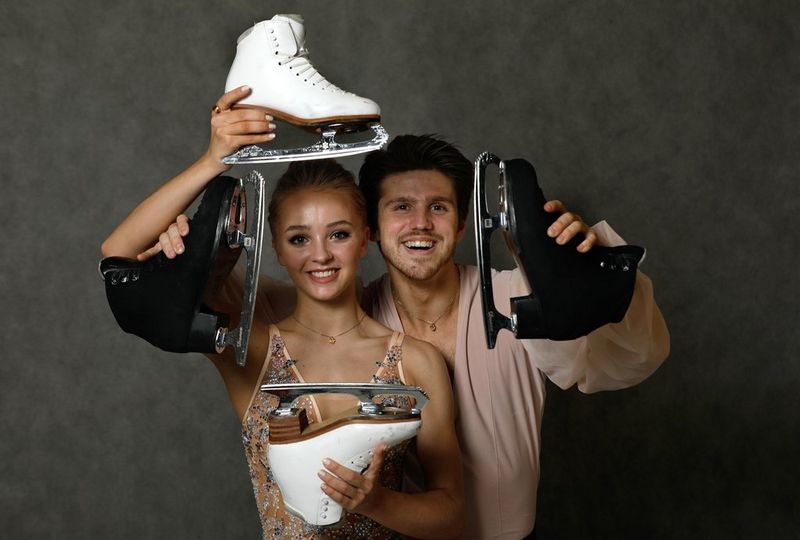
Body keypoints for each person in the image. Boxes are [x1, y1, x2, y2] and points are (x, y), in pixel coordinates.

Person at [125, 87, 669, 539]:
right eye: (400, 207)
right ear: (374, 231)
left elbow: (628, 360)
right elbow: (148, 271)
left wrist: (578, 269)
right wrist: (202, 195)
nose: (420, 224)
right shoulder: (319, 308)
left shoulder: (519, 300)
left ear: (461, 226)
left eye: (439, 207)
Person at [100, 93, 464, 538]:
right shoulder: (248, 346)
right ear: (274, 246)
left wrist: (375, 502)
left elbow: (451, 511)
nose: (321, 255)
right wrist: (213, 161)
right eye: (298, 239)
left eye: (339, 234)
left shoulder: (417, 362)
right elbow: (117, 256)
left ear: (365, 238)